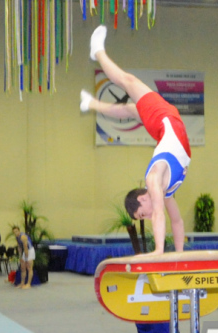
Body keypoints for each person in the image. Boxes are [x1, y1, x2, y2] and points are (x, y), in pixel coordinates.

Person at [80, 26, 191, 256]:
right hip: (163, 127)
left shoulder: (153, 180)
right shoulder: (166, 191)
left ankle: (97, 52)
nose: (147, 217)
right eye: (144, 218)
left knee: (127, 81)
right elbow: (177, 222)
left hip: (164, 121)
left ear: (142, 198)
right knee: (132, 109)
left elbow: (159, 214)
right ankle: (90, 104)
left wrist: (159, 250)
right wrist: (181, 256)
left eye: (142, 214)